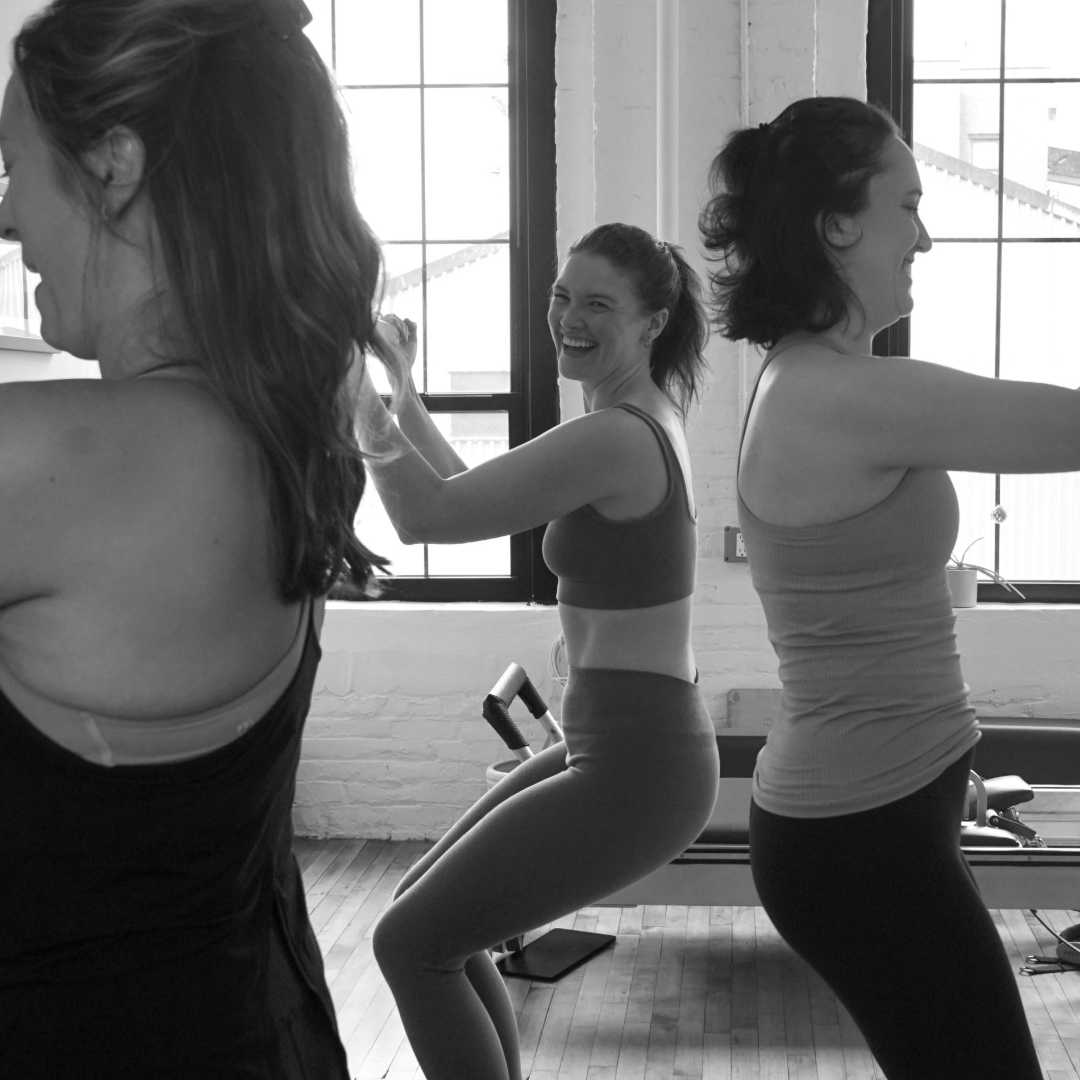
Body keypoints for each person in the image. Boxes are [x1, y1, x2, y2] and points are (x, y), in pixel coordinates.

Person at [0, 0, 383, 1075]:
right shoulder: (270, 425)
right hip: (258, 1026)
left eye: (12, 164)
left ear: (113, 165)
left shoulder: (65, 458)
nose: (8, 213)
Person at [699, 95, 1072, 1079]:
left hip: (871, 820)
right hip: (858, 841)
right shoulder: (835, 397)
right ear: (836, 224)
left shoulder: (823, 379)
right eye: (908, 205)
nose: (928, 235)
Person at [351, 222, 719, 1080]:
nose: (569, 318)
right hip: (609, 740)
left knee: (410, 945)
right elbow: (461, 494)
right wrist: (400, 393)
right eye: (562, 296)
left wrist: (349, 388)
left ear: (652, 322)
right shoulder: (626, 420)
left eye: (599, 304)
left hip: (639, 762)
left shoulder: (620, 435)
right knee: (426, 923)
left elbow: (427, 518)